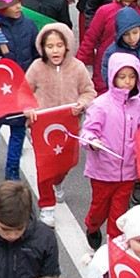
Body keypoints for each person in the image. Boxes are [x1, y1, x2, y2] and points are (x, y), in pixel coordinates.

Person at [78, 51, 140, 249]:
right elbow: (87, 131)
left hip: (127, 171)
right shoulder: (101, 105)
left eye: (132, 76)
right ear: (113, 77)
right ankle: (92, 226)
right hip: (103, 171)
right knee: (99, 209)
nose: (127, 81)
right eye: (122, 76)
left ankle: (113, 247)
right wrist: (92, 141)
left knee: (119, 213)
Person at [23, 23, 95, 218]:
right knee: (43, 165)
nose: (55, 50)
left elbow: (89, 91)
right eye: (50, 46)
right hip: (42, 125)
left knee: (66, 162)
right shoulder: (37, 67)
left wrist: (82, 103)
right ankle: (47, 206)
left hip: (69, 126)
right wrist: (29, 110)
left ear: (67, 46)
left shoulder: (77, 67)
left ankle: (58, 180)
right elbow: (24, 93)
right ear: (43, 48)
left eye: (59, 45)